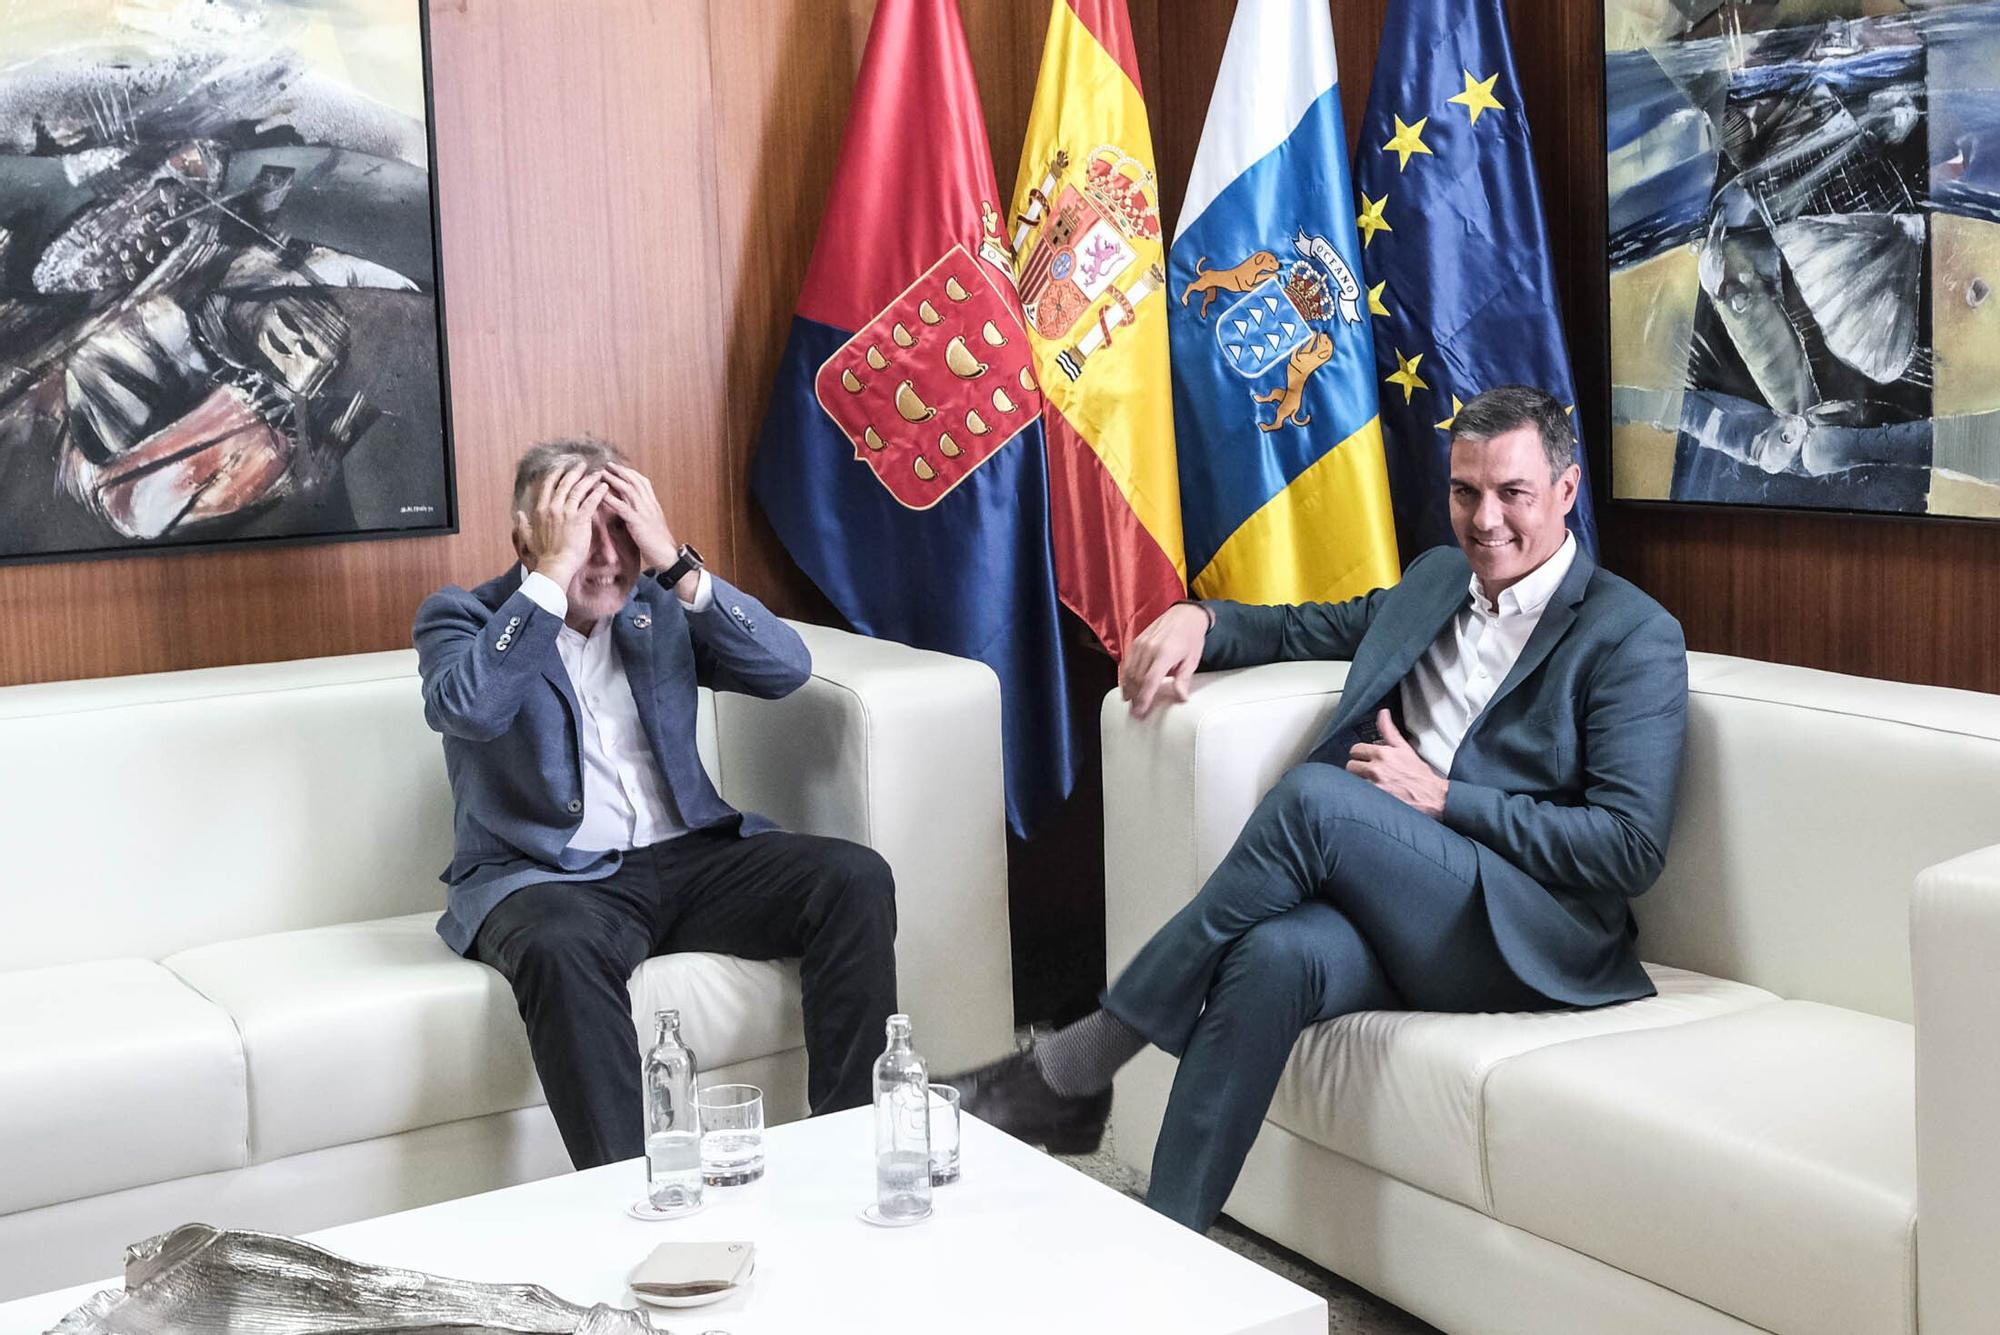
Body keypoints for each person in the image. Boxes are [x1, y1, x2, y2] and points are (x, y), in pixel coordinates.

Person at [950, 385, 1689, 1231]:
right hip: (1404, 913)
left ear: (1565, 491)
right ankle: (1165, 1252)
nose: (1485, 519)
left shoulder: (1631, 635)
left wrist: (1448, 799)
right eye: (1465, 491)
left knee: (1314, 799)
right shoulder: (1439, 579)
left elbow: (1629, 847)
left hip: (1525, 933)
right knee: (1271, 956)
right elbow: (1304, 628)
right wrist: (1199, 618)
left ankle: (1080, 1062)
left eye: (1513, 493)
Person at [413, 437, 898, 1169]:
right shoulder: (464, 618)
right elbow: (472, 709)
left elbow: (786, 668)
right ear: (526, 536)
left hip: (691, 857)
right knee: (555, 944)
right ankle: (628, 1188)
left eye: (621, 529)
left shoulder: (655, 606)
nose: (608, 556)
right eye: (582, 533)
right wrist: (548, 579)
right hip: (550, 877)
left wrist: (673, 562)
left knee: (853, 877)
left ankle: (850, 1142)